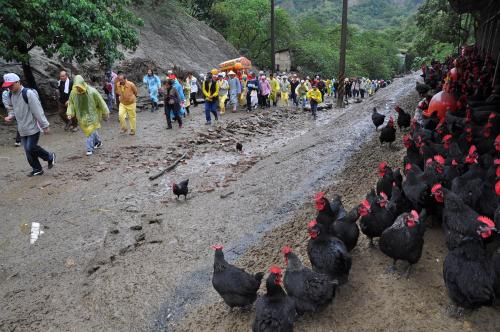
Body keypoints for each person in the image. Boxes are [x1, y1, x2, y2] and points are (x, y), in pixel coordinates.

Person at [3, 73, 55, 176]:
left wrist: (45, 125)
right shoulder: (10, 94)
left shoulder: (28, 93)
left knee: (30, 147)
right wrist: (10, 116)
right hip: (22, 128)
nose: (9, 87)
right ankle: (37, 169)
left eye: (11, 85)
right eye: (8, 86)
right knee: (27, 150)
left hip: (33, 126)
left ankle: (50, 156)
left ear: (18, 82)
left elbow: (38, 110)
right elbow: (12, 108)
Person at [67, 75, 110, 156]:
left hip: (92, 115)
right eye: (76, 87)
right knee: (92, 130)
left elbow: (101, 101)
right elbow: (71, 103)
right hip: (81, 116)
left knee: (89, 132)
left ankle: (89, 149)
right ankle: (98, 142)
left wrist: (105, 112)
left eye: (79, 87)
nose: (78, 89)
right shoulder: (74, 93)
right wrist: (70, 113)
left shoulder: (92, 91)